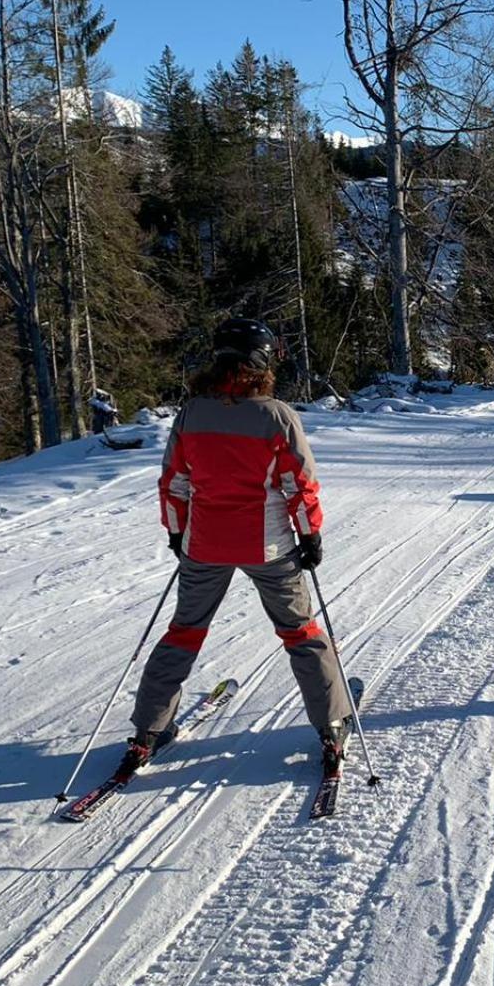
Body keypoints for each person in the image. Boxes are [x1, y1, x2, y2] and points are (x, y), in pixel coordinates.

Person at [126, 318, 352, 775]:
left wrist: (176, 531)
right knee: (300, 632)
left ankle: (149, 730)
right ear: (263, 362)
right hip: (267, 548)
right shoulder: (276, 416)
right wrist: (309, 535)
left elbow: (174, 482)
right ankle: (331, 722)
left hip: (204, 545)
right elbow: (299, 484)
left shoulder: (192, 413)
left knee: (184, 632)